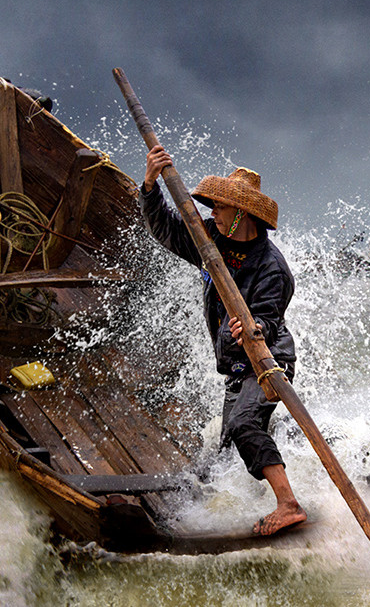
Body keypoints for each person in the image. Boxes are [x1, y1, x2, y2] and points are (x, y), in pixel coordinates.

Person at [139, 145, 307, 536]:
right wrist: (149, 184)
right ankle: (222, 498)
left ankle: (289, 504)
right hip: (235, 363)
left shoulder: (272, 268)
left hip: (267, 361)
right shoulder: (210, 239)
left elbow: (266, 319)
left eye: (220, 208)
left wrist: (250, 328)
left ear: (242, 215)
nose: (212, 213)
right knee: (230, 441)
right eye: (212, 207)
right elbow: (165, 228)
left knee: (246, 423)